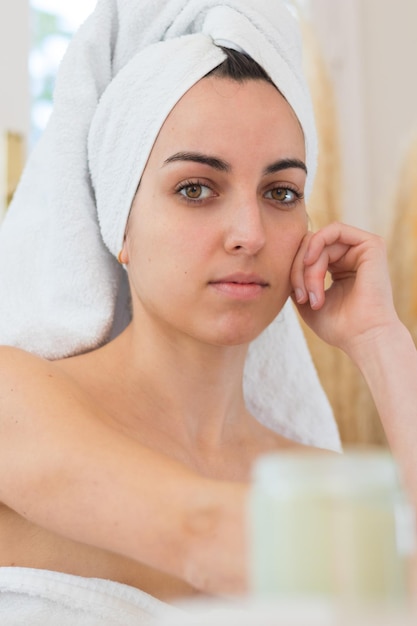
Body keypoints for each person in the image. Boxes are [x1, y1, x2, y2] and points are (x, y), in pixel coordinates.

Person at [0, 0, 417, 621]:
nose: (249, 232)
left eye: (281, 193)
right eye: (196, 188)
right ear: (121, 224)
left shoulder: (314, 480)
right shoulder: (14, 398)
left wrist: (383, 341)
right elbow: (207, 537)